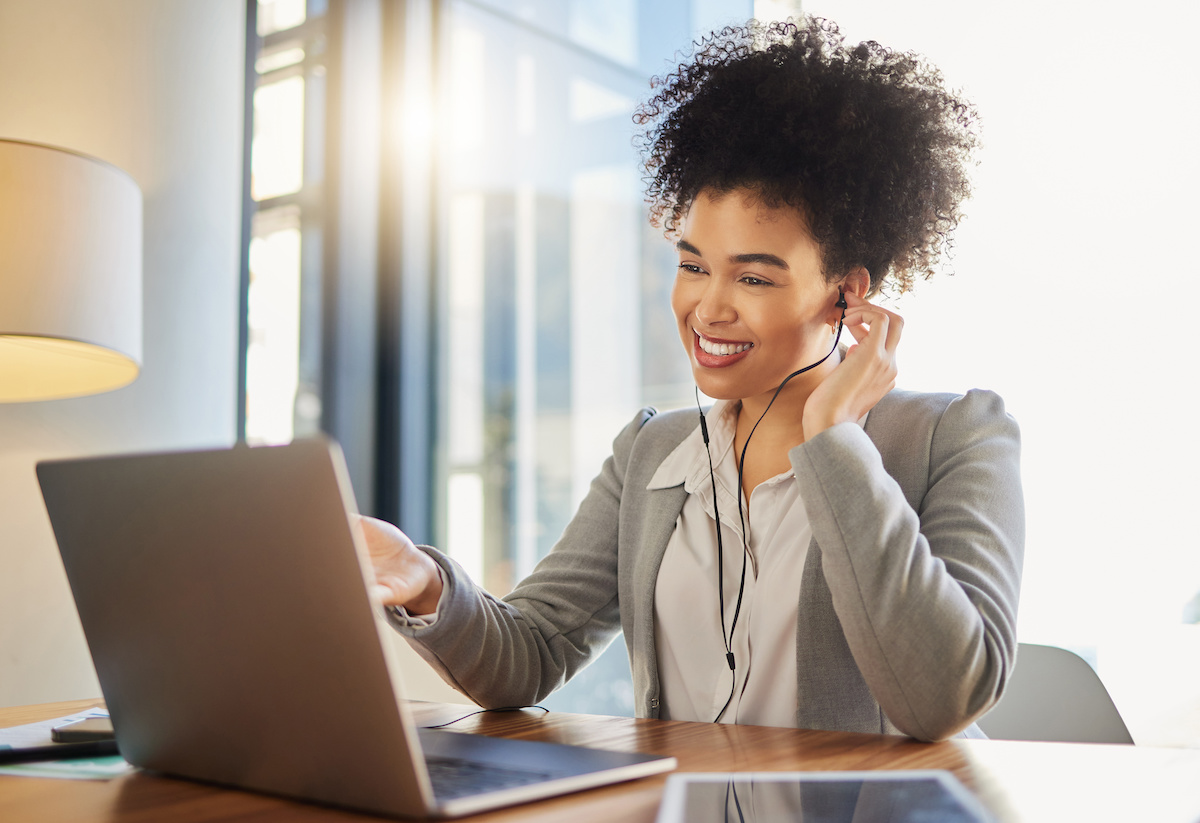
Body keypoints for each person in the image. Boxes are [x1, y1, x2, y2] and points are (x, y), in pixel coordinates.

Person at [360, 16, 1023, 742]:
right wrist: (424, 580)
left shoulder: (954, 437)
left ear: (847, 292)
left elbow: (944, 698)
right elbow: (531, 652)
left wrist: (836, 443)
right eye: (693, 265)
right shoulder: (653, 451)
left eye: (754, 276)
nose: (708, 307)